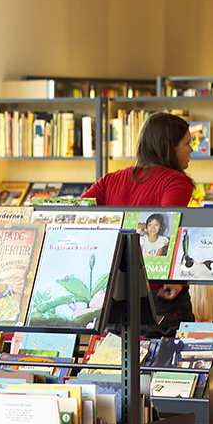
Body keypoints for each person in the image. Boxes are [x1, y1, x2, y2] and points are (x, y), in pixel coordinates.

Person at [82, 112, 195, 330]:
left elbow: (76, 214)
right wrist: (175, 281)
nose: (191, 150)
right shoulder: (176, 182)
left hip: (113, 293)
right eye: (187, 143)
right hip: (159, 294)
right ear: (169, 147)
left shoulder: (110, 180)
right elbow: (168, 229)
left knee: (117, 351)